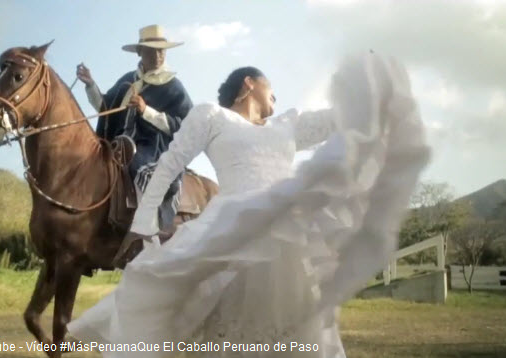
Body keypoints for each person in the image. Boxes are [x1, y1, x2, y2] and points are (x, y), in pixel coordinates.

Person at [67, 52, 430, 357]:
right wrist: (142, 224)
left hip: (285, 237)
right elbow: (169, 164)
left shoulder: (287, 124)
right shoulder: (212, 115)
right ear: (249, 84)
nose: (276, 98)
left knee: (306, 328)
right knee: (201, 317)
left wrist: (370, 91)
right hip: (229, 230)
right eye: (271, 89)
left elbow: (339, 120)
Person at [77, 24, 193, 230]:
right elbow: (105, 107)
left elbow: (185, 126)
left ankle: (149, 227)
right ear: (140, 52)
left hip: (151, 146)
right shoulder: (128, 80)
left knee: (139, 167)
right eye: (151, 51)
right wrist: (90, 84)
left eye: (161, 51)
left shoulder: (174, 86)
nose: (157, 56)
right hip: (117, 142)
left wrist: (146, 110)